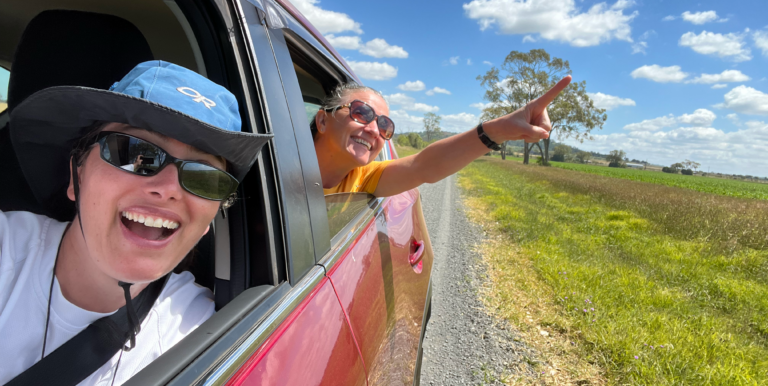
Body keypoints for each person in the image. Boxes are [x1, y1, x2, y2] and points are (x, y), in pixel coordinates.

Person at [0, 61, 271, 385]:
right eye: (135, 152)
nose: (169, 188)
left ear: (206, 224)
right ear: (77, 175)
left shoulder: (200, 336)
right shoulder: (7, 248)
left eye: (205, 177)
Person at [312, 76, 571, 196]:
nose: (372, 129)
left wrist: (500, 130)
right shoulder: (272, 170)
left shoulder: (362, 180)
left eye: (384, 125)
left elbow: (424, 166)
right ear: (323, 120)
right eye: (361, 112)